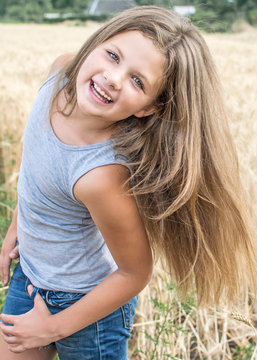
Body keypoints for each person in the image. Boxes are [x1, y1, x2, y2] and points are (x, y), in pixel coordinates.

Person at [0, 5, 256, 360]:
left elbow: (135, 272)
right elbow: (39, 163)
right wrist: (18, 224)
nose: (113, 78)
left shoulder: (101, 176)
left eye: (138, 81)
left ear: (148, 108)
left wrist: (53, 328)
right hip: (31, 277)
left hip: (90, 306)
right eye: (113, 55)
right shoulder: (59, 72)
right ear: (97, 42)